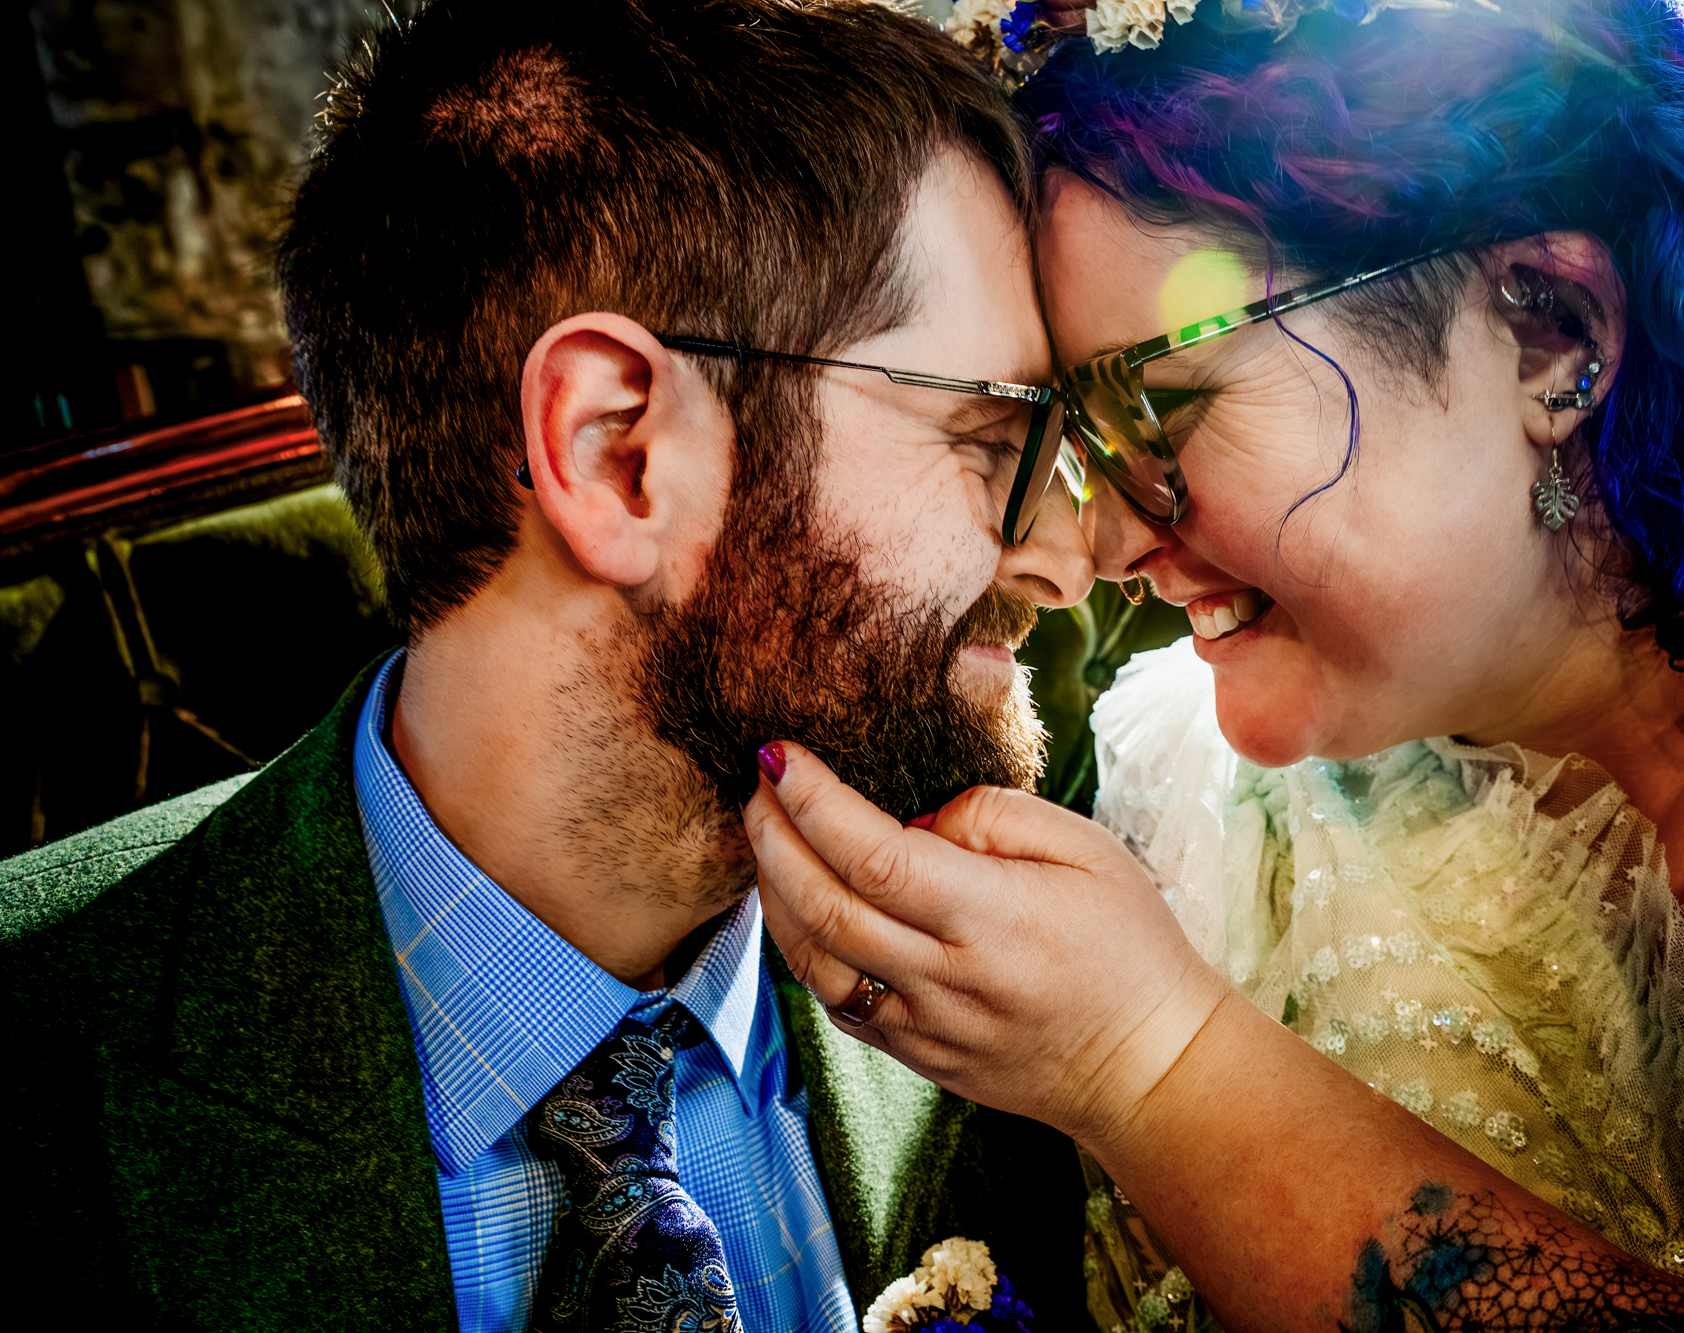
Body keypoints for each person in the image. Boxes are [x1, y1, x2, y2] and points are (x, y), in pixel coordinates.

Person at [744, 0, 1684, 1328]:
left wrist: (1154, 1065)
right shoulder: (1207, 782)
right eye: (1071, 431)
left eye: (1157, 409)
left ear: (1553, 334)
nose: (1098, 540)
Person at [0, 1, 1100, 1328]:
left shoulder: (1068, 966)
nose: (1067, 557)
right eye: (991, 437)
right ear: (617, 452)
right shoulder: (42, 1070)